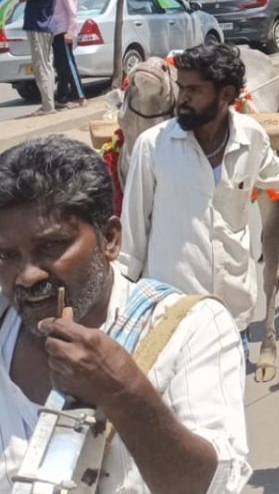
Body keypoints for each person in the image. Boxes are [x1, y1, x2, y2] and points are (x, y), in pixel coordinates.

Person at [0, 137, 252, 493]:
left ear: (110, 239)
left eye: (51, 247)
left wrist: (121, 389)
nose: (27, 276)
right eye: (5, 256)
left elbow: (208, 487)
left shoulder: (189, 329)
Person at [120, 43, 279, 341]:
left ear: (226, 95)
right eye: (181, 87)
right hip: (171, 313)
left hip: (232, 313)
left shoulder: (250, 137)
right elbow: (132, 236)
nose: (182, 98)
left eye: (194, 90)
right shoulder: (152, 146)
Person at [17, 0, 56, 115]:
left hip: (40, 28)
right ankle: (48, 103)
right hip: (40, 28)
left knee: (42, 67)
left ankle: (48, 106)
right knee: (43, 65)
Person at [45, 0, 86, 108]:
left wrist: (70, 31)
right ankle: (62, 96)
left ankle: (80, 96)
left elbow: (71, 10)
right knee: (60, 65)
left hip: (64, 30)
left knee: (68, 63)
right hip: (55, 30)